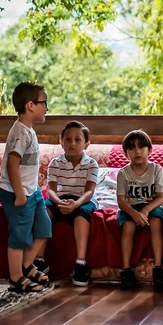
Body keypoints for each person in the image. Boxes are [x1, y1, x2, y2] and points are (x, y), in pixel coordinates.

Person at [0, 82, 52, 293]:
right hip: (16, 192)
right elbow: (12, 165)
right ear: (30, 105)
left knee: (44, 227)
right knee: (20, 236)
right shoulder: (20, 132)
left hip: (32, 191)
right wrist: (20, 195)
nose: (46, 107)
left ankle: (26, 265)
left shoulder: (28, 131)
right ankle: (15, 278)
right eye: (44, 103)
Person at [44, 120, 100, 286]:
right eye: (68, 139)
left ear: (86, 144)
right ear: (61, 142)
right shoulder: (55, 163)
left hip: (83, 199)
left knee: (82, 215)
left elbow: (89, 192)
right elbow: (51, 190)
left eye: (77, 140)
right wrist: (59, 203)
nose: (72, 143)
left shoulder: (91, 164)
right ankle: (39, 260)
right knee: (43, 211)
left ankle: (80, 263)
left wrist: (75, 205)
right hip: (60, 198)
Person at [116, 129, 163, 291]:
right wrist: (134, 214)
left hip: (151, 206)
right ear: (126, 153)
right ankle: (126, 270)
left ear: (150, 150)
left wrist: (146, 209)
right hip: (130, 208)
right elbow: (121, 201)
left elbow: (161, 196)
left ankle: (158, 268)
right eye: (131, 148)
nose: (137, 151)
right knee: (128, 227)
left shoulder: (156, 169)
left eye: (141, 147)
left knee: (156, 222)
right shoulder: (123, 173)